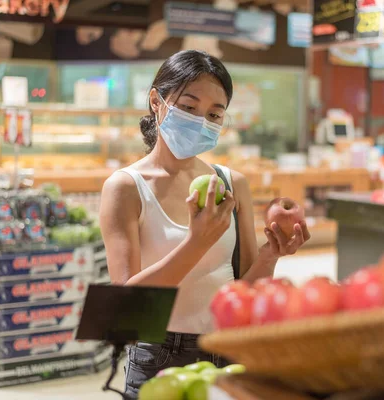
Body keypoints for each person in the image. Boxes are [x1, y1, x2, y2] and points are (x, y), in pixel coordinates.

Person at [99, 50, 311, 399]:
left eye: (214, 114)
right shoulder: (125, 187)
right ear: (157, 101)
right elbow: (127, 316)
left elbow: (244, 292)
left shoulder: (231, 183)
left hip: (227, 346)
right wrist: (196, 243)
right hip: (158, 354)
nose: (201, 120)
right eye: (188, 107)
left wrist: (270, 255)